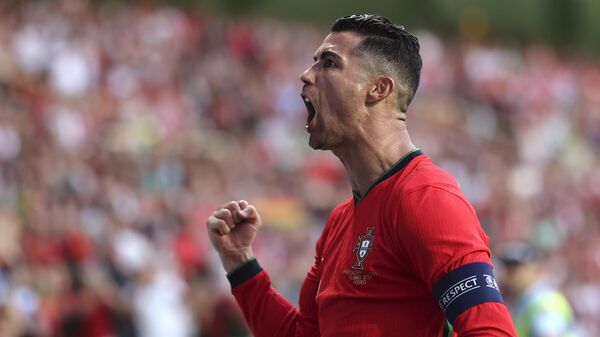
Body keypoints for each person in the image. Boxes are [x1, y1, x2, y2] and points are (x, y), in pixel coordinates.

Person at [206, 14, 517, 336]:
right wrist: (239, 261)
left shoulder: (427, 200)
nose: (306, 74)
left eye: (329, 63)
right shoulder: (340, 221)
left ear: (378, 89)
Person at [499, 242, 579, 337]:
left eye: (516, 269)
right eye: (508, 269)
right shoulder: (523, 301)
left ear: (535, 269)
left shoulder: (544, 301)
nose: (511, 275)